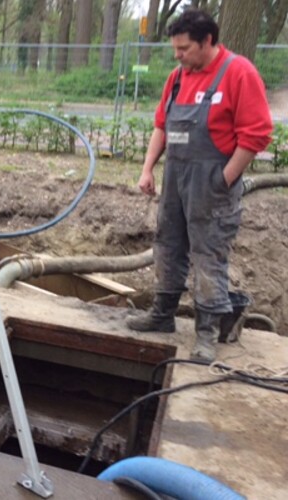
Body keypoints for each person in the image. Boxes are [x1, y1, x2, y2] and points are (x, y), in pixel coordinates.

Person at [126, 9, 272, 362]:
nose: (178, 55)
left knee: (208, 255)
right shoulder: (177, 78)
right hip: (176, 178)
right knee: (168, 244)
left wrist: (225, 178)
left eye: (185, 48)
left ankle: (206, 333)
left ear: (208, 41)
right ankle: (162, 315)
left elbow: (255, 136)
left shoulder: (238, 73)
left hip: (213, 183)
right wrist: (148, 170)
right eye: (175, 49)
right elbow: (161, 126)